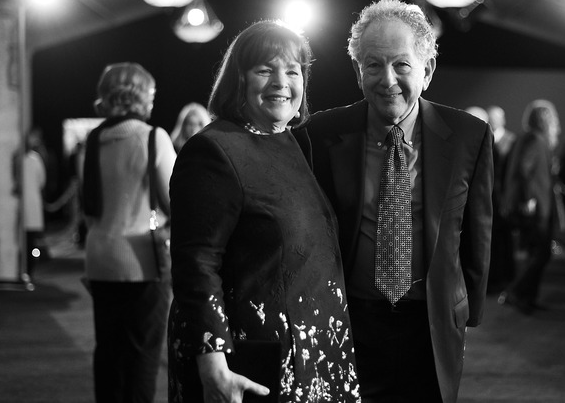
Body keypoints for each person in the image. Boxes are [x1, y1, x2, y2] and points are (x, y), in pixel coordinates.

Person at [303, 0, 494, 402]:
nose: (387, 79)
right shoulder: (320, 134)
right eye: (373, 64)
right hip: (349, 320)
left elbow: (478, 232)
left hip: (431, 323)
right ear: (358, 71)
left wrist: (467, 313)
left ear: (427, 70)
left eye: (401, 64)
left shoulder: (468, 136)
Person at [167, 20, 361, 403]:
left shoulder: (294, 144)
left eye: (292, 71)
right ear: (237, 80)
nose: (280, 82)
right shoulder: (214, 150)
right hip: (249, 363)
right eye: (264, 70)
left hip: (316, 353)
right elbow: (196, 263)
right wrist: (213, 365)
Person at [80, 62, 176, 403]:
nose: (152, 101)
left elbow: (89, 206)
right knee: (142, 355)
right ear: (139, 96)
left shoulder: (92, 141)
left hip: (100, 258)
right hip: (142, 262)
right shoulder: (154, 137)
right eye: (150, 94)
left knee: (108, 352)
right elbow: (173, 202)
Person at [498, 99, 561, 315]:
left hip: (535, 205)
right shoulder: (535, 140)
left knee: (537, 252)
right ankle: (516, 293)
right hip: (536, 207)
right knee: (541, 253)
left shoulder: (528, 138)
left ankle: (527, 297)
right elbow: (524, 171)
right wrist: (528, 199)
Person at [486, 105, 517, 293]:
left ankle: (505, 277)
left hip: (502, 196)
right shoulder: (484, 138)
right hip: (490, 195)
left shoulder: (511, 141)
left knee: (503, 239)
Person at [22, 128, 48, 281]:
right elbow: (42, 181)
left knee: (29, 242)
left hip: (28, 210)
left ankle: (28, 272)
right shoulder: (35, 159)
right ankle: (29, 273)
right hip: (31, 209)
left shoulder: (32, 159)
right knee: (31, 243)